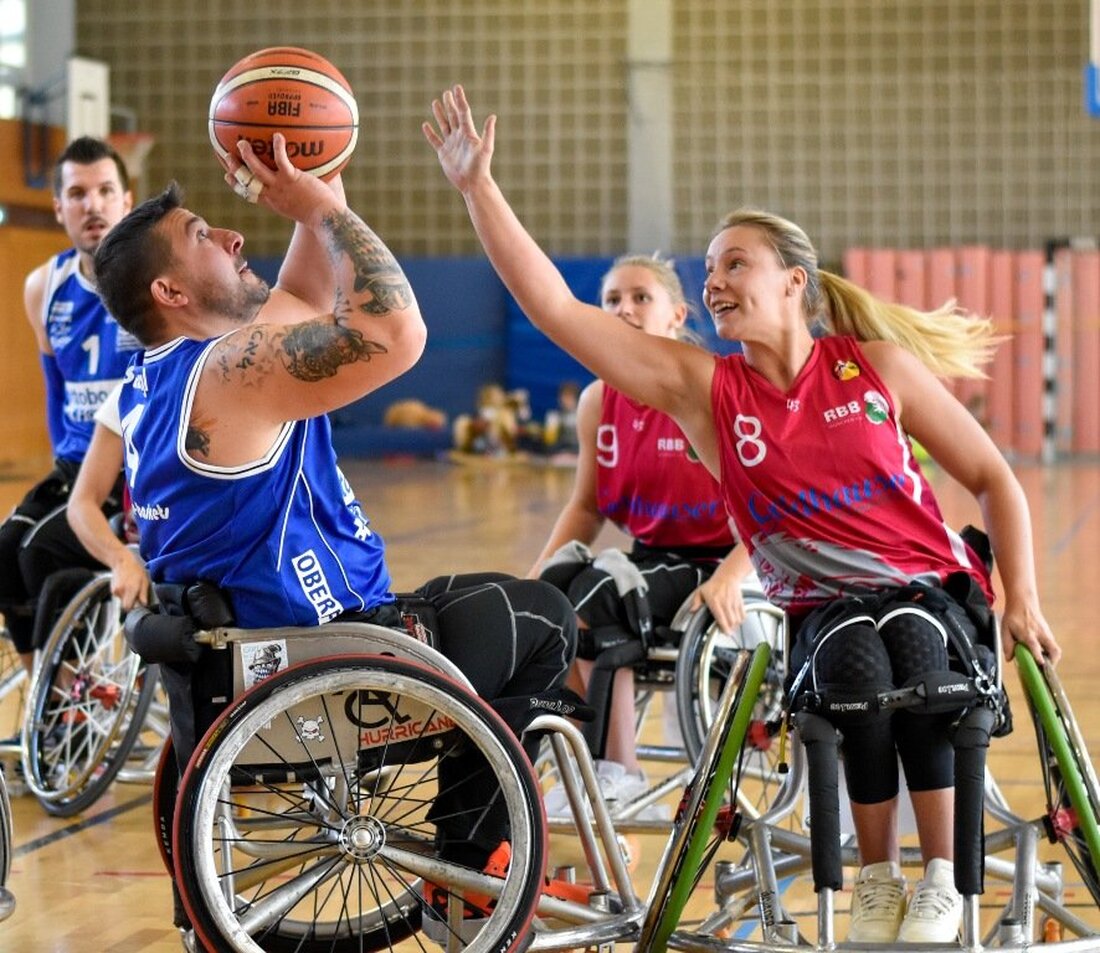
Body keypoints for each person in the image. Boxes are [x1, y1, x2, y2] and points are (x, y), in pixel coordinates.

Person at [424, 84, 1060, 945]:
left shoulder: (876, 368)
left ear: (794, 281)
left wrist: (1022, 597)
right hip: (822, 607)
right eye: (711, 269)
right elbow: (557, 311)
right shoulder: (706, 390)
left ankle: (942, 879)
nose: (715, 281)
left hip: (929, 585)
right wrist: (478, 190)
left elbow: (993, 477)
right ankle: (877, 882)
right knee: (856, 668)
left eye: (735, 264)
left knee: (915, 645)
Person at [90, 134, 578, 942]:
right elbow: (398, 334)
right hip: (327, 667)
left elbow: (302, 288)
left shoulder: (164, 376)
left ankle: (468, 862)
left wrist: (318, 161)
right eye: (204, 234)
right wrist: (317, 207)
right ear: (170, 289)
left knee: (482, 599)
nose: (233, 235)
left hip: (245, 667)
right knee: (543, 618)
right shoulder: (230, 370)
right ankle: (468, 872)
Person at [531, 253, 753, 820]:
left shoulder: (707, 389)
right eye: (611, 300)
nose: (623, 309)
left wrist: (732, 576)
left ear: (677, 315)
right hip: (652, 561)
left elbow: (772, 507)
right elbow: (587, 506)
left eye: (640, 298)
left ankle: (619, 771)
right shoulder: (598, 401)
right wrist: (536, 577)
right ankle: (574, 761)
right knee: (553, 595)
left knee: (600, 594)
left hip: (723, 560)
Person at [0, 137, 137, 679]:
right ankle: (51, 696)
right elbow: (55, 390)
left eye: (105, 191)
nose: (93, 205)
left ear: (126, 201)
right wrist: (66, 465)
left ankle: (69, 692)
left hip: (131, 471)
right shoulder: (44, 286)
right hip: (77, 465)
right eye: (77, 194)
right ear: (58, 207)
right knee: (5, 550)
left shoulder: (149, 282)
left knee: (40, 552)